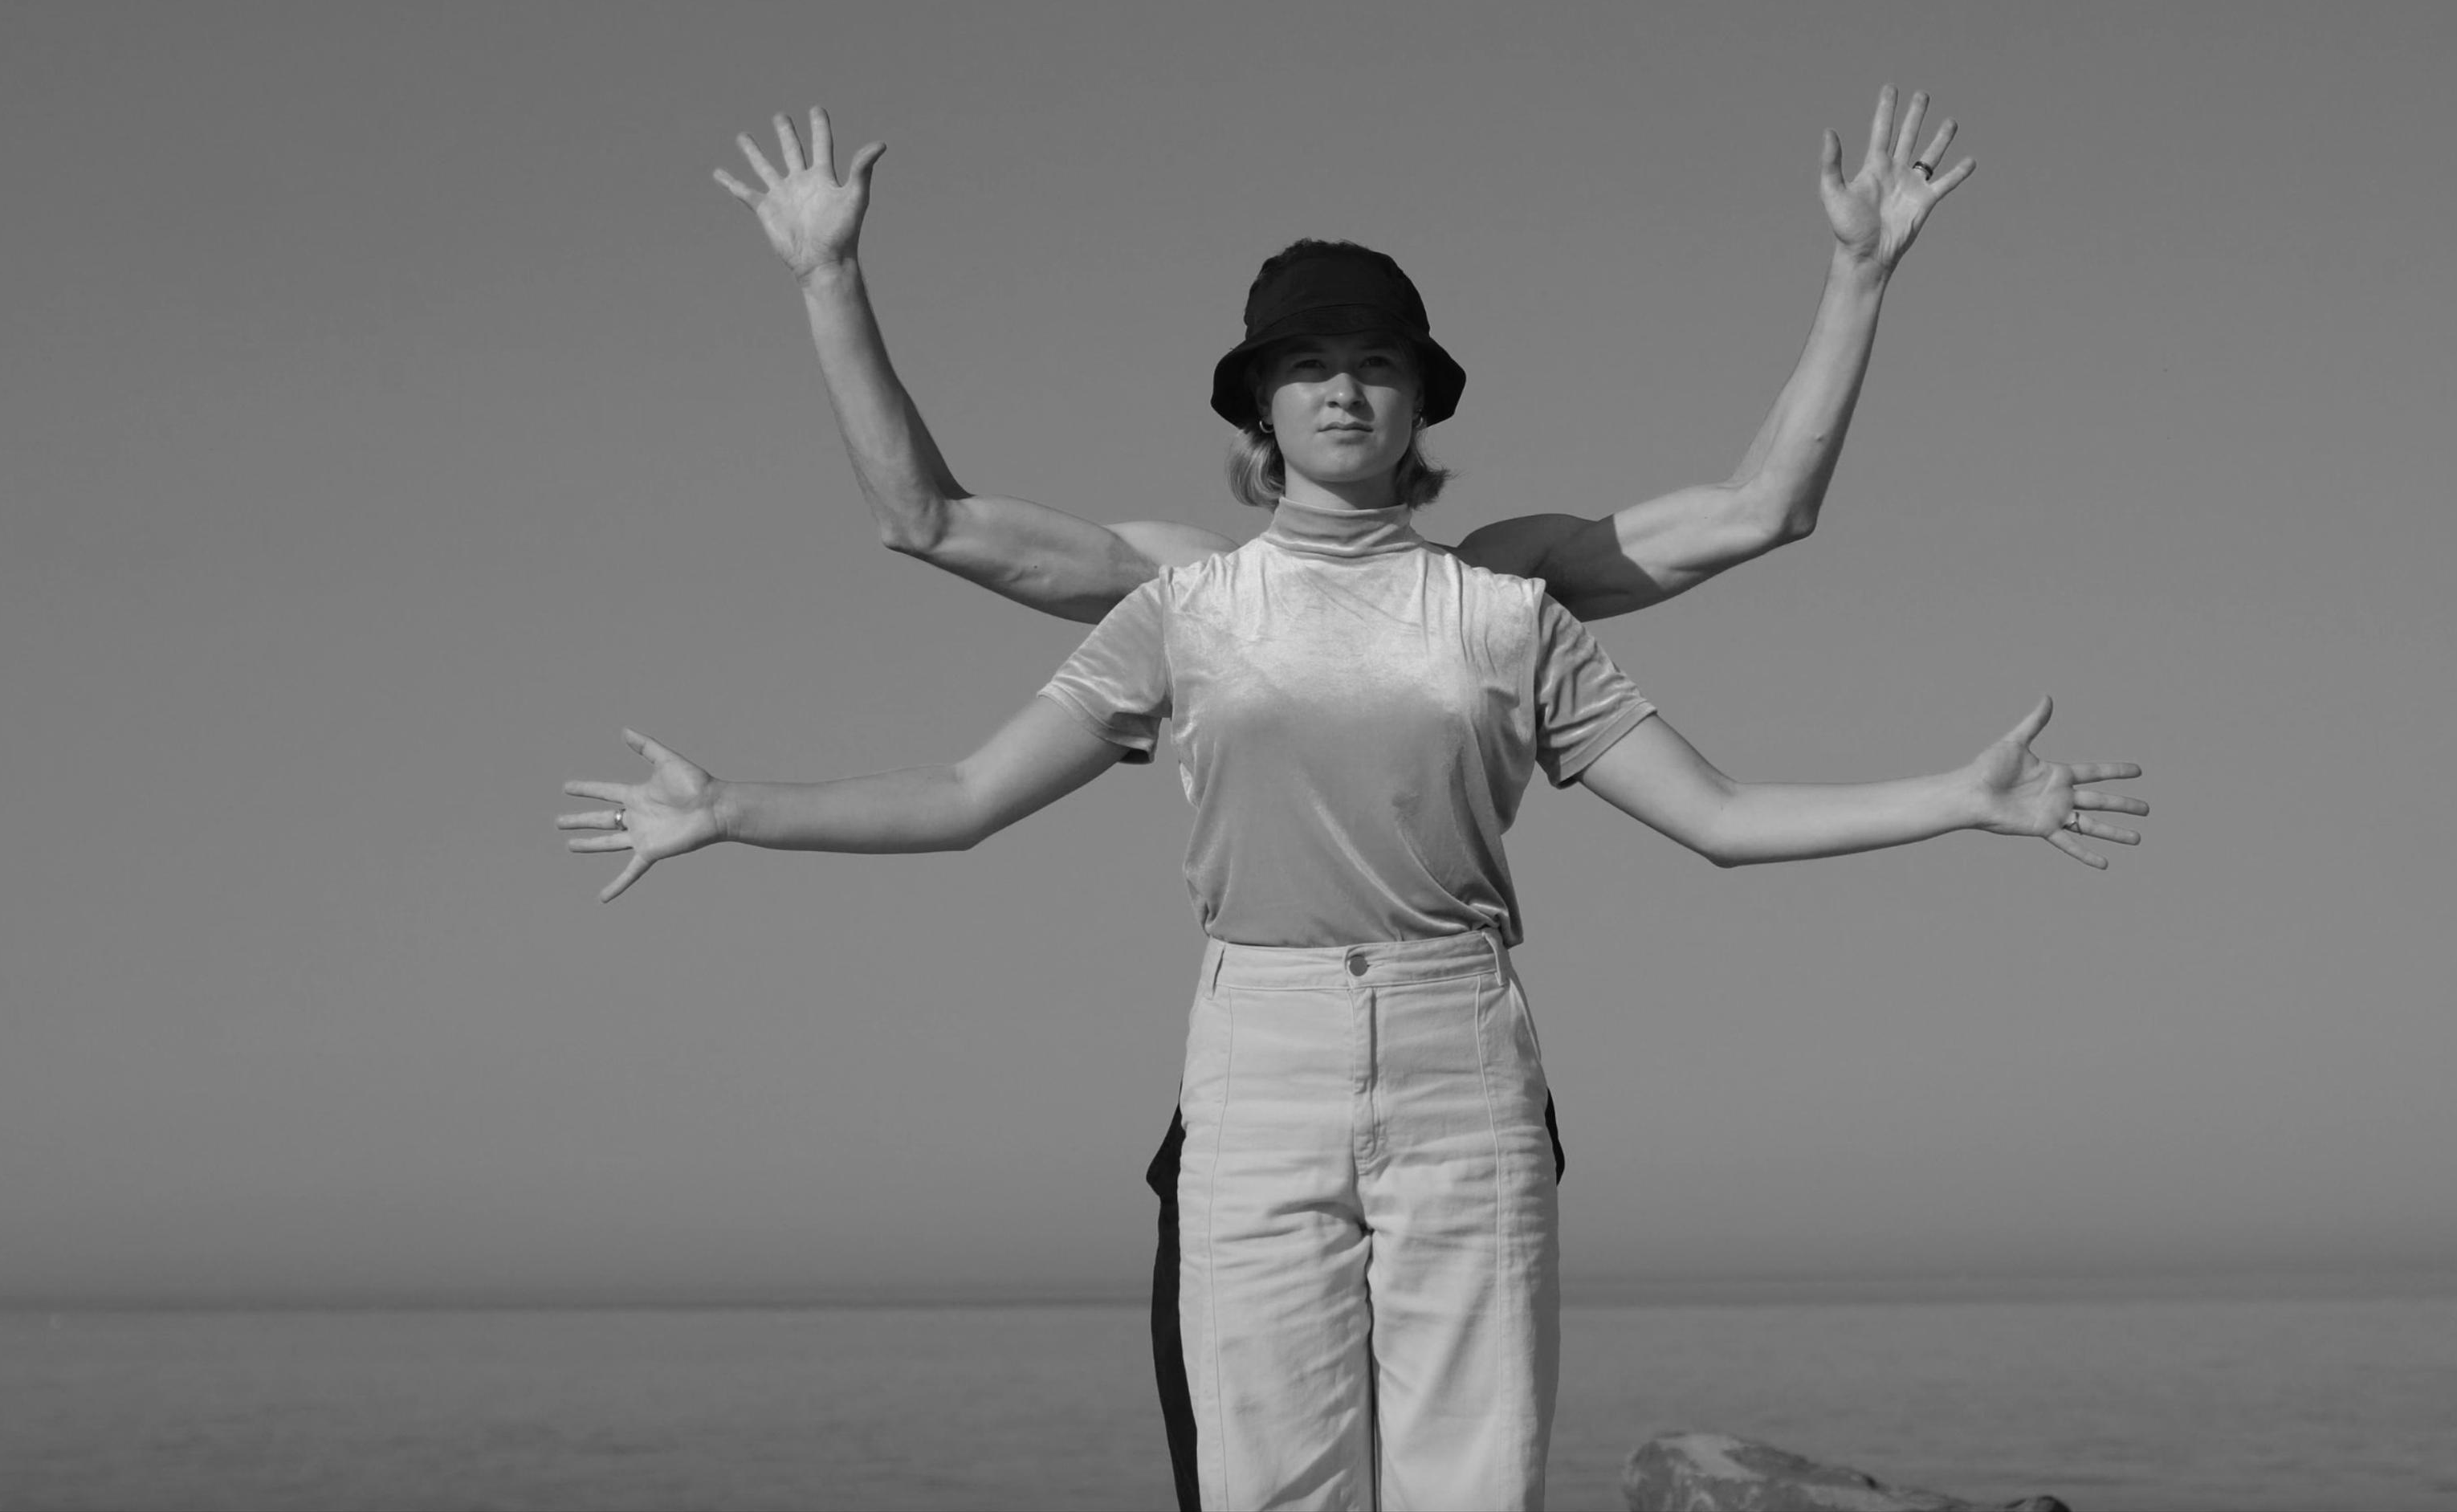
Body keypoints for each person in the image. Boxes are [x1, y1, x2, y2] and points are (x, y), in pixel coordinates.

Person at [557, 284, 2148, 1510]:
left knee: (1475, 1478)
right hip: (1259, 1051)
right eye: (1308, 363)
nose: (1341, 386)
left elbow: (1721, 803)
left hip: (1465, 1047)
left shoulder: (1507, 606)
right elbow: (965, 775)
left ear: (1417, 404)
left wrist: (1957, 794)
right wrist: (732, 807)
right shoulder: (1184, 602)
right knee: (1269, 1484)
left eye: (1376, 363)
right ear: (1257, 403)